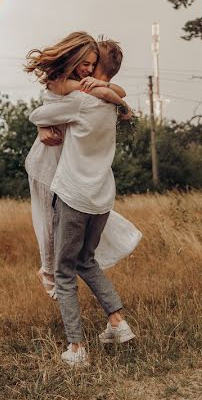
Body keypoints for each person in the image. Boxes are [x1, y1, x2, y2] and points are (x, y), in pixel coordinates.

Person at [29, 38, 137, 367]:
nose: (86, 68)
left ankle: (76, 349)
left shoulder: (80, 100)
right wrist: (111, 93)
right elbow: (117, 94)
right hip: (102, 197)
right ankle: (118, 322)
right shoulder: (111, 104)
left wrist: (42, 125)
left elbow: (37, 112)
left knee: (63, 272)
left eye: (91, 62)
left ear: (95, 66)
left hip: (75, 195)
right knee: (86, 261)